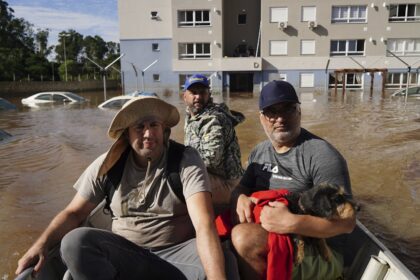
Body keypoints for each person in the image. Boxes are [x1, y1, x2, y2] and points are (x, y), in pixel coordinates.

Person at [16, 95, 237, 280]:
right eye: (139, 127)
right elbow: (74, 213)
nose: (148, 134)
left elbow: (204, 225)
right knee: (75, 242)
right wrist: (41, 245)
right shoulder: (109, 165)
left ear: (164, 129)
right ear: (127, 134)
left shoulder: (185, 160)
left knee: (224, 261)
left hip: (177, 256)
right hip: (126, 256)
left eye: (154, 125)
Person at [230, 80, 356, 280]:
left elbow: (347, 223)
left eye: (288, 109)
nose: (280, 118)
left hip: (320, 251)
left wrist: (292, 223)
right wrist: (240, 198)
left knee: (243, 238)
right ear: (262, 118)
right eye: (272, 112)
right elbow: (240, 189)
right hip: (269, 235)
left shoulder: (322, 155)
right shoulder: (259, 152)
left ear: (299, 112)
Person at [183, 74, 244, 207]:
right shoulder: (192, 116)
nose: (198, 97)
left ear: (209, 94)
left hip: (228, 184)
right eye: (193, 92)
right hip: (213, 177)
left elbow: (211, 160)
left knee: (180, 179)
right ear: (184, 96)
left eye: (202, 92)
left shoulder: (211, 119)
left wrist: (179, 164)